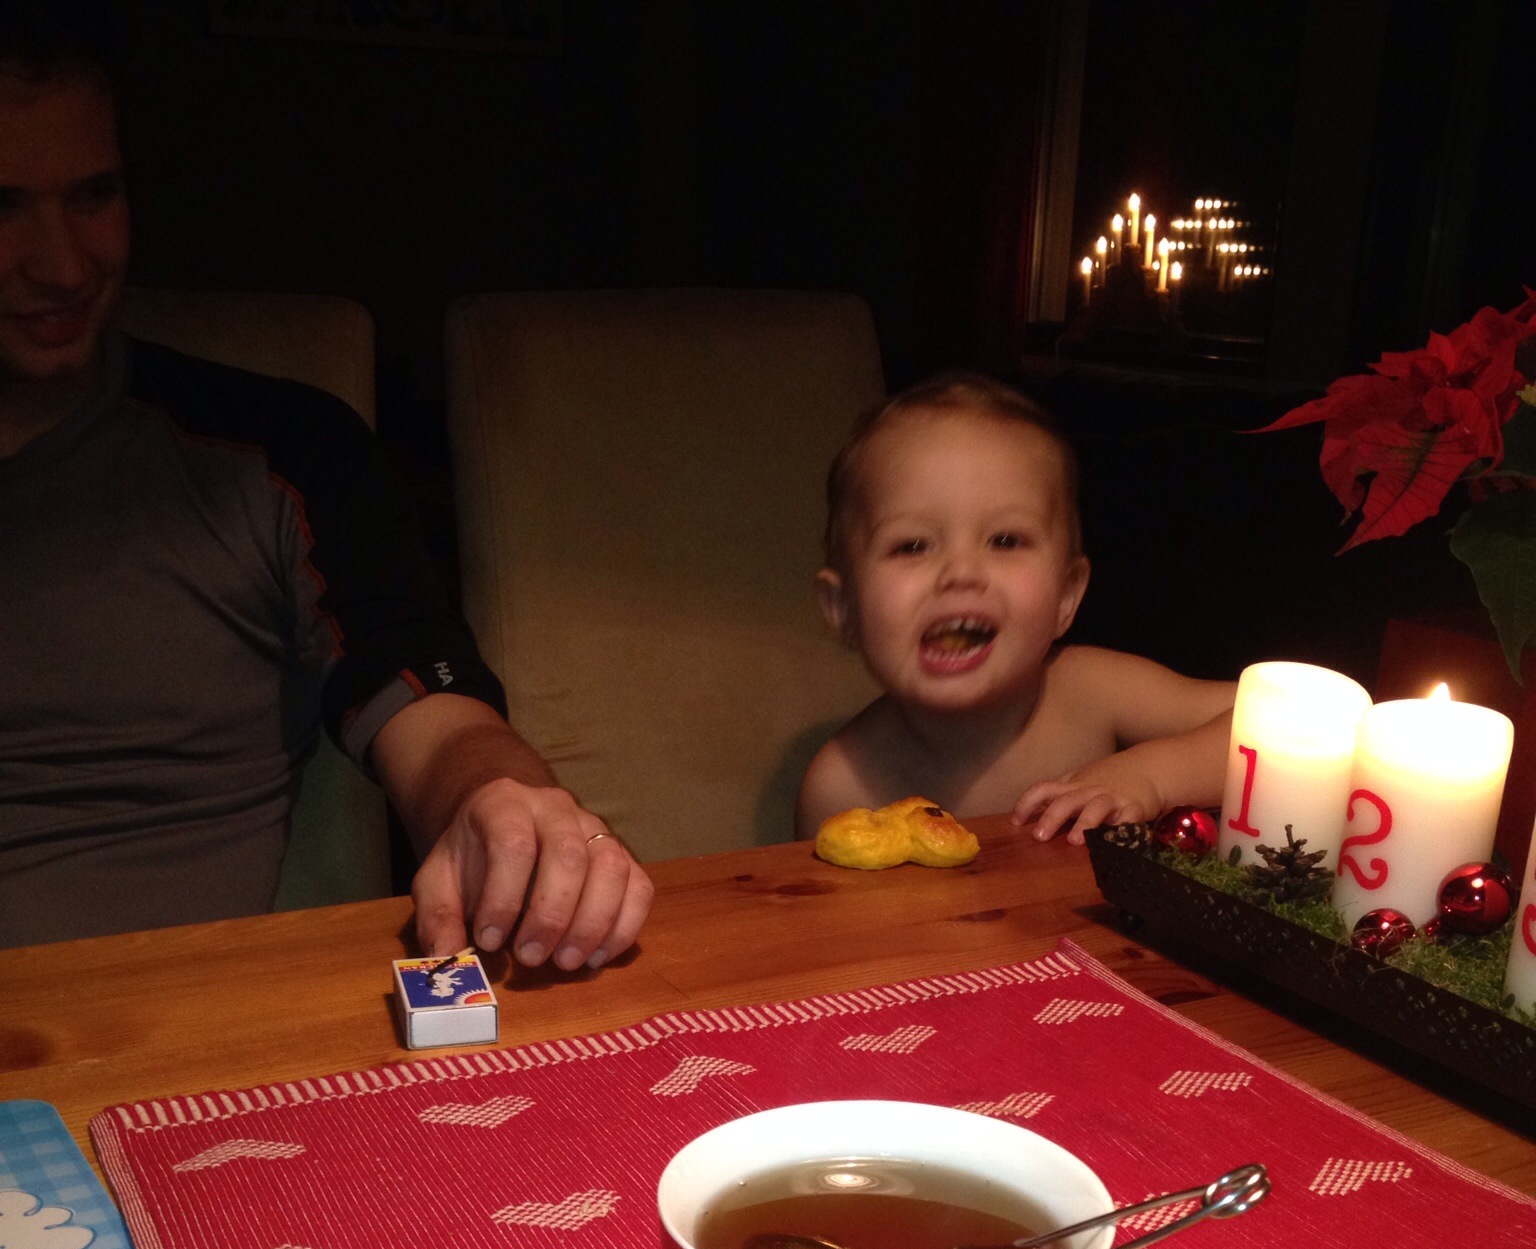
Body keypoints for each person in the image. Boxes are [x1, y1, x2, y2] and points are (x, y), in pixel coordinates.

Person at [0, 4, 653, 962]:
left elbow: (429, 707)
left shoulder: (278, 448)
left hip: (173, 1021)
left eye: (94, 195)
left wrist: (503, 806)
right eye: (2, 208)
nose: (61, 266)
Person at [795, 374, 1237, 845]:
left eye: (1005, 540)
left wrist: (1150, 775)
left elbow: (1267, 722)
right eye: (912, 545)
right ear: (843, 608)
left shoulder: (1093, 690)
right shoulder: (839, 787)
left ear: (1066, 595)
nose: (961, 572)